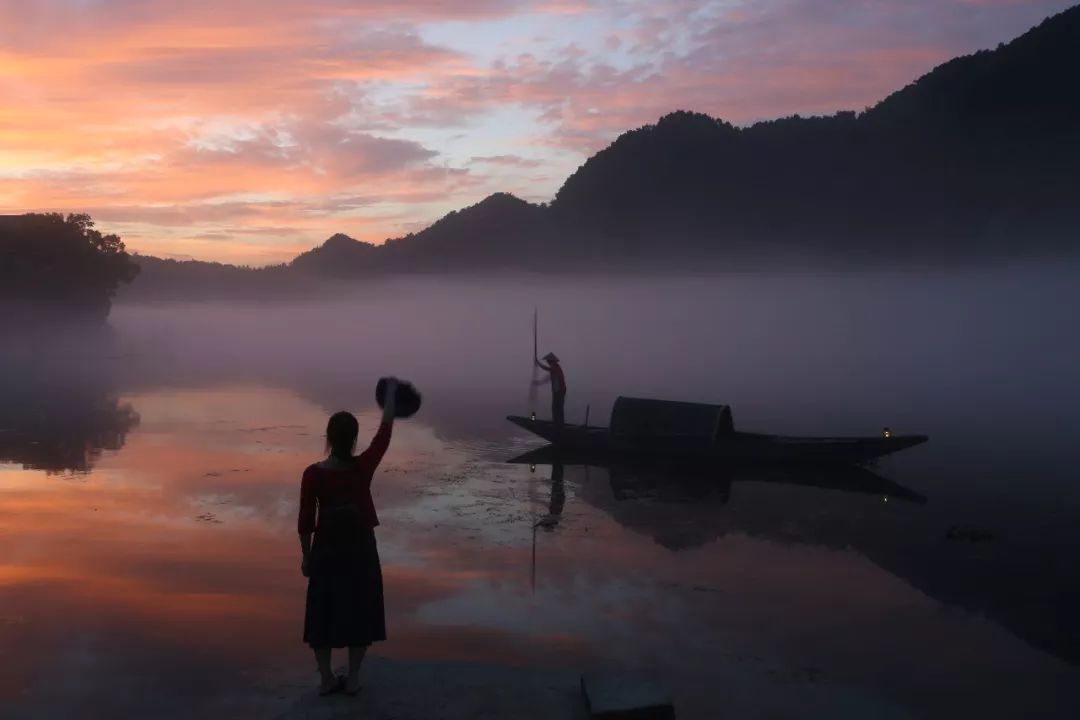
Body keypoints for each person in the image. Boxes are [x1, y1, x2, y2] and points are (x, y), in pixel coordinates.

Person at [297, 378, 398, 697]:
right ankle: (353, 678)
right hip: (360, 549)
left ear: (328, 437)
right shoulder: (362, 467)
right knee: (360, 610)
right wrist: (391, 401)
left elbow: (305, 521)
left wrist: (306, 556)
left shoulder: (312, 474)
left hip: (326, 549)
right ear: (354, 439)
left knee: (322, 613)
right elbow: (384, 437)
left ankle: (327, 679)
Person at [534, 352, 566, 429]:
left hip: (559, 390)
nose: (548, 362)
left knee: (558, 407)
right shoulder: (554, 368)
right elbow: (547, 378)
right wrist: (539, 383)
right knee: (555, 407)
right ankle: (557, 422)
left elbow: (548, 369)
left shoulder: (555, 367)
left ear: (552, 361)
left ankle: (559, 424)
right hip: (556, 391)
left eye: (549, 361)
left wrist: (538, 363)